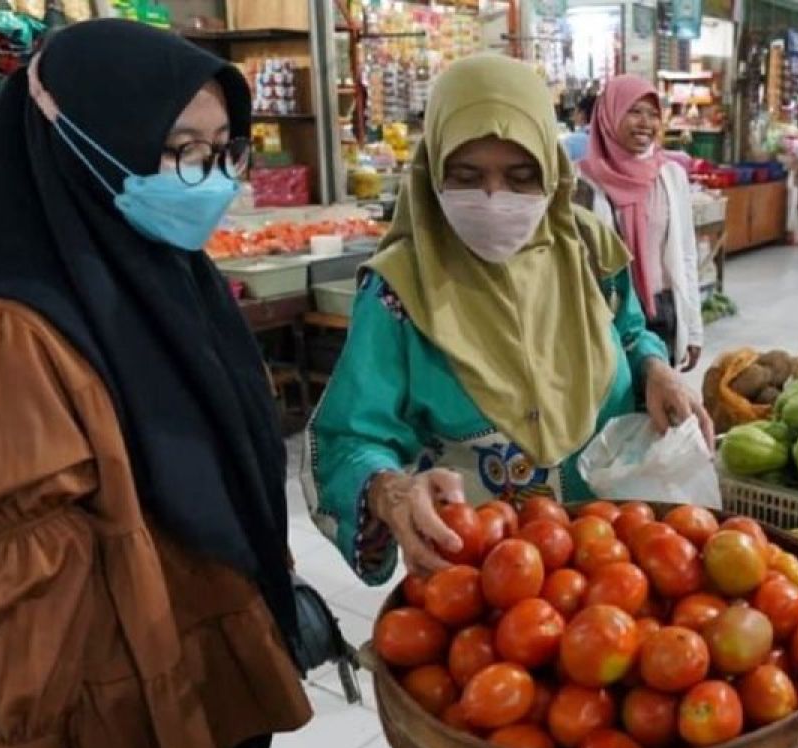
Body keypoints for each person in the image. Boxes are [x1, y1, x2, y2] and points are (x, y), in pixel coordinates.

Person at [0, 21, 310, 748]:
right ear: (83, 141)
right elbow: (34, 592)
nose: (207, 179)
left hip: (209, 644)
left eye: (221, 149)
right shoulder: (10, 336)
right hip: (127, 699)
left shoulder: (164, 272)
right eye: (176, 150)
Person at [303, 55, 712, 581]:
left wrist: (655, 367)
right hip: (483, 575)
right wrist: (391, 491)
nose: (495, 200)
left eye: (522, 177)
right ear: (432, 173)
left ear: (552, 168)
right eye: (467, 178)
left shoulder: (586, 246)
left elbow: (629, 330)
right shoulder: (399, 289)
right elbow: (348, 438)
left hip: (609, 558)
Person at [577, 75, 703, 372]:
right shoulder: (582, 181)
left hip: (662, 311)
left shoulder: (670, 175)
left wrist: (693, 327)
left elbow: (686, 254)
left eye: (653, 113)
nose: (645, 123)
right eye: (634, 112)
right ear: (609, 115)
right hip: (607, 316)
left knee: (660, 408)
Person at [560, 93, 596, 162]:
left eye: (575, 111)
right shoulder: (608, 140)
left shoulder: (572, 141)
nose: (573, 116)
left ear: (582, 114)